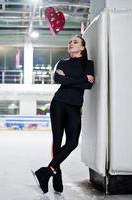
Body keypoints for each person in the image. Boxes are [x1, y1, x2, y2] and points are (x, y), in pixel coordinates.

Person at [32, 35, 95, 194]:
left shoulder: (88, 64)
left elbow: (89, 85)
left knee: (73, 142)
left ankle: (47, 171)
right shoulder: (62, 63)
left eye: (75, 42)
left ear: (82, 48)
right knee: (58, 141)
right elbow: (58, 79)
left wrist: (68, 78)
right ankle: (56, 175)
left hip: (74, 106)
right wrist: (80, 79)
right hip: (58, 103)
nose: (71, 43)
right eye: (70, 41)